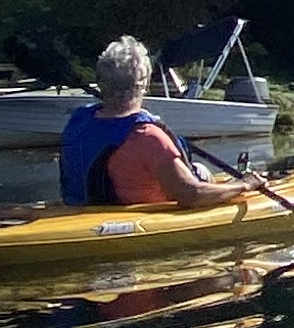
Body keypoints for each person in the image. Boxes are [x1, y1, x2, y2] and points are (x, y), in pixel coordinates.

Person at [56, 35, 198, 208]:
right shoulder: (147, 136)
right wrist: (240, 186)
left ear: (101, 83)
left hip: (77, 211)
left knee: (197, 170)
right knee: (202, 173)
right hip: (126, 220)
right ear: (145, 84)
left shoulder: (78, 120)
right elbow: (191, 194)